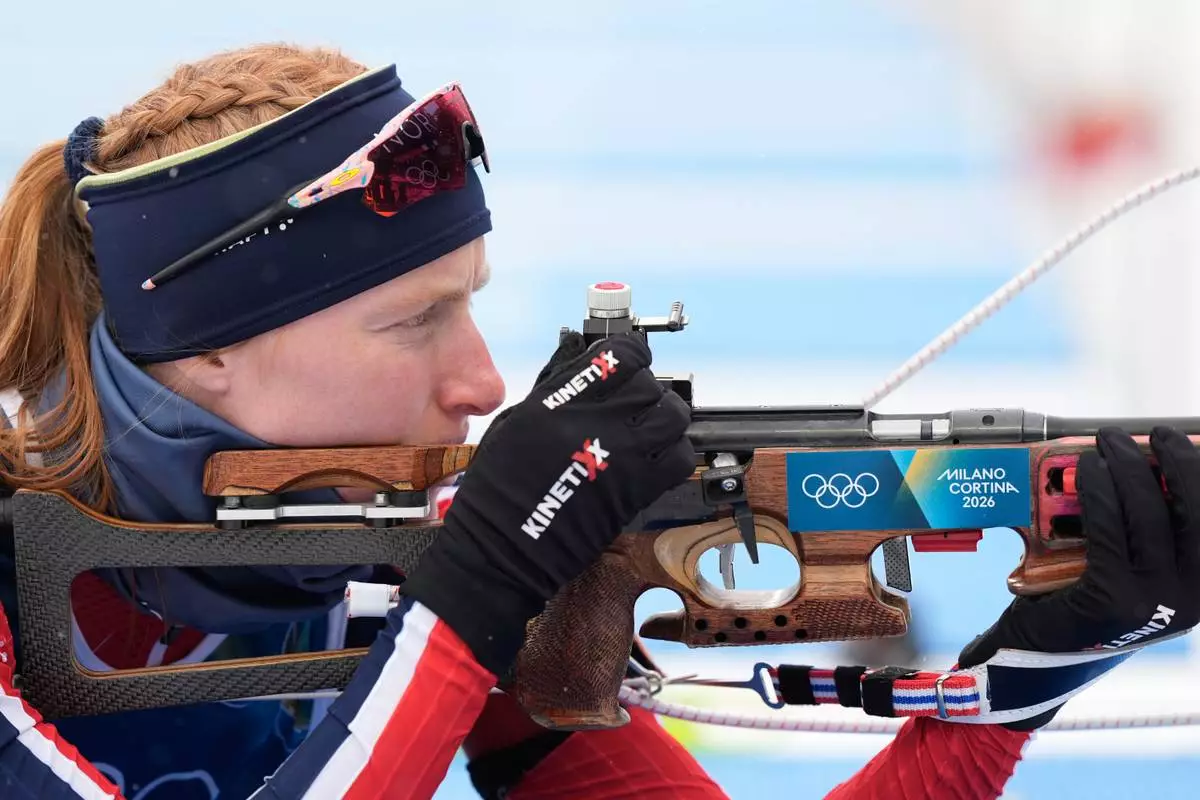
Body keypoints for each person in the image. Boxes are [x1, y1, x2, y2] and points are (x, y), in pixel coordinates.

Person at [0, 42, 1195, 800]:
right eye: (413, 321)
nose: (480, 380)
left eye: (470, 305)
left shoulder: (378, 556)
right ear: (207, 349)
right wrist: (475, 587)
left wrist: (1040, 660)